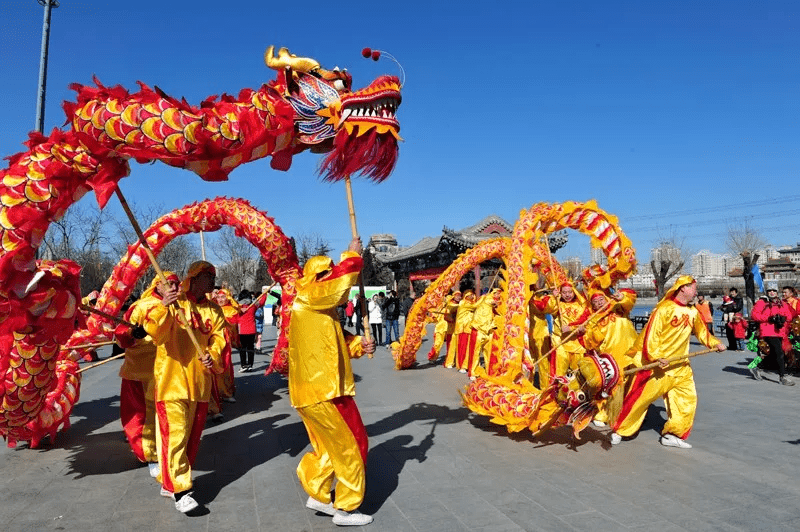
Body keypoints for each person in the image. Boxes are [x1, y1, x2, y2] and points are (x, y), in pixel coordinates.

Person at [289, 238, 376, 526]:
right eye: (327, 273)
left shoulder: (318, 308)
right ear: (316, 279)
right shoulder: (309, 297)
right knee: (354, 443)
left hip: (312, 392)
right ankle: (347, 508)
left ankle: (318, 491)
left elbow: (333, 344)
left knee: (330, 448)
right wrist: (352, 255)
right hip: (325, 390)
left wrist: (359, 346)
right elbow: (337, 286)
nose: (333, 277)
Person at [142, 261, 226, 513]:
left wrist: (213, 354)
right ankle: (181, 489)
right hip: (172, 382)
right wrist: (165, 305)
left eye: (213, 277)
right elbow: (154, 332)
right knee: (175, 437)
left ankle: (169, 483)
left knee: (191, 440)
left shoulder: (214, 311)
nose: (212, 282)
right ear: (195, 278)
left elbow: (219, 339)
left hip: (200, 383)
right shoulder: (175, 302)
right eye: (208, 277)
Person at [610, 275, 726, 449]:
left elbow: (703, 333)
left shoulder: (693, 311)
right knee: (639, 400)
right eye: (693, 288)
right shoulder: (663, 309)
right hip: (658, 366)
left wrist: (715, 343)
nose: (696, 291)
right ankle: (620, 430)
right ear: (683, 289)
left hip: (681, 367)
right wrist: (656, 357)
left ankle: (673, 434)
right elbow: (651, 336)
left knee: (687, 400)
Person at [114, 272, 180, 478]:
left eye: (176, 284)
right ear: (157, 285)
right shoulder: (141, 306)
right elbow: (121, 335)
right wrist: (134, 333)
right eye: (168, 283)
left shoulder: (182, 306)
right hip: (142, 370)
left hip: (170, 370)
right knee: (143, 416)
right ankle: (149, 454)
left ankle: (165, 449)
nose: (173, 287)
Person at [578, 287, 638, 426]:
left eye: (601, 300)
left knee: (631, 384)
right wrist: (585, 331)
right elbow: (591, 341)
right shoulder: (593, 319)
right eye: (595, 302)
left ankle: (626, 413)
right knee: (610, 386)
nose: (599, 303)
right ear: (592, 306)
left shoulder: (619, 308)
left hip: (631, 352)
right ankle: (602, 414)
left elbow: (630, 301)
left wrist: (621, 297)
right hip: (611, 356)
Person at [750, 284, 795, 385]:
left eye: (774, 290)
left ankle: (757, 367)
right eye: (769, 290)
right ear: (766, 292)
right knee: (779, 353)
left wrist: (783, 318)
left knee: (774, 354)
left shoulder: (781, 303)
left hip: (779, 331)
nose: (772, 292)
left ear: (777, 292)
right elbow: (754, 315)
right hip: (767, 331)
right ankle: (782, 377)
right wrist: (769, 318)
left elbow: (789, 315)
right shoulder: (762, 302)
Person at [426, 290, 461, 364]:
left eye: (459, 296)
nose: (458, 297)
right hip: (441, 327)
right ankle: (432, 357)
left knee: (451, 344)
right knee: (437, 343)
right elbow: (434, 315)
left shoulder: (459, 305)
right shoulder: (445, 303)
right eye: (457, 295)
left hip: (451, 327)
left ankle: (450, 358)